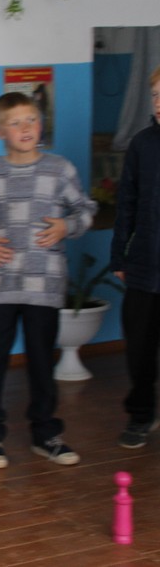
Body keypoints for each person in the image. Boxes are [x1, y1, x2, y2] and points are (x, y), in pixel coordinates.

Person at [0, 91, 95, 469]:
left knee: (41, 361)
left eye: (32, 120)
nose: (25, 128)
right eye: (16, 122)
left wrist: (66, 226)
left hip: (45, 285)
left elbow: (86, 209)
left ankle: (45, 433)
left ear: (41, 125)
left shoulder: (60, 170)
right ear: (0, 131)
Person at [110, 65, 160, 449]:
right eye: (156, 96)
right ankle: (141, 415)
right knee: (139, 347)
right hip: (145, 266)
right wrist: (119, 258)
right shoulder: (142, 144)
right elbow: (125, 202)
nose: (159, 103)